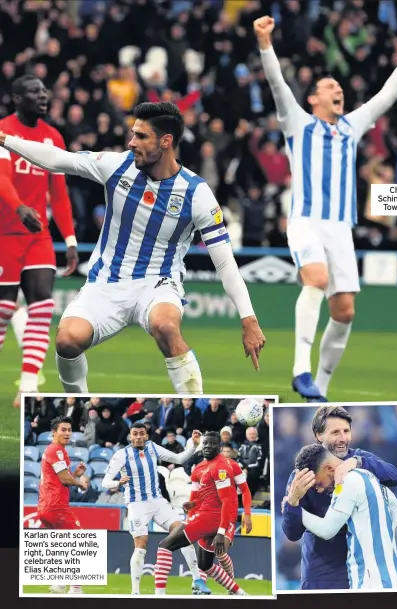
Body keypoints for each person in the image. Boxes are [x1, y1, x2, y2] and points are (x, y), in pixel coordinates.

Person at [0, 101, 265, 395]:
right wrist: (5, 139)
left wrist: (248, 318)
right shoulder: (117, 166)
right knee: (66, 340)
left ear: (165, 142)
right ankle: (79, 408)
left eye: (141, 136)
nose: (131, 142)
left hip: (158, 283)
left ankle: (195, 411)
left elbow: (226, 264)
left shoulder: (196, 193)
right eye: (132, 134)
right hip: (106, 283)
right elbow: (60, 159)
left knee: (166, 326)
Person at [254, 17, 397, 401]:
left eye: (340, 87)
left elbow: (388, 94)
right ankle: (300, 368)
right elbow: (278, 85)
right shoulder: (297, 123)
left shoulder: (351, 126)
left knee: (345, 311)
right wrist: (265, 43)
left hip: (340, 227)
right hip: (307, 221)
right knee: (314, 278)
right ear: (313, 99)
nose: (338, 89)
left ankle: (321, 389)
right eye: (329, 87)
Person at [0, 75, 78, 407]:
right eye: (35, 92)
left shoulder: (52, 138)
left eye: (44, 92)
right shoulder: (4, 130)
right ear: (17, 98)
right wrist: (18, 207)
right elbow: (1, 177)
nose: (43, 96)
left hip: (38, 235)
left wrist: (70, 238)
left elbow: (58, 195)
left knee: (43, 303)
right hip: (5, 231)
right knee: (3, 309)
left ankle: (29, 384)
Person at [281, 405, 397, 590]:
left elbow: (395, 476)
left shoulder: (359, 458)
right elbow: (292, 533)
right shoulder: (303, 474)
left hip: (361, 569)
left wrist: (357, 462)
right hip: (321, 574)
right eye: (335, 432)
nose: (343, 438)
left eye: (346, 431)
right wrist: (292, 503)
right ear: (319, 435)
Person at [101, 423, 210, 596]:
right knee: (141, 543)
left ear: (146, 436)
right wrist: (118, 482)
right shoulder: (121, 455)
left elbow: (179, 459)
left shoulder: (152, 447)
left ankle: (197, 580)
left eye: (141, 434)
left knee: (183, 532)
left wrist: (194, 446)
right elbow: (105, 482)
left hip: (157, 501)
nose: (138, 437)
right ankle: (135, 592)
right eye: (135, 434)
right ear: (130, 436)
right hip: (137, 504)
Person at [153, 432, 250, 596]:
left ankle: (159, 595)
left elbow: (238, 495)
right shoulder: (198, 469)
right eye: (205, 444)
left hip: (217, 517)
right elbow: (195, 498)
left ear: (220, 447)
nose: (207, 447)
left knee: (165, 546)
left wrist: (246, 514)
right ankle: (239, 593)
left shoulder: (225, 467)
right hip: (210, 516)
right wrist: (191, 507)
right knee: (205, 565)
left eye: (212, 444)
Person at [37, 416, 87, 594]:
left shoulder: (55, 451)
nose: (67, 433)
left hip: (46, 506)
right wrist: (80, 482)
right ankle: (75, 589)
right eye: (63, 430)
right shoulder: (56, 450)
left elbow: (62, 479)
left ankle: (58, 583)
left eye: (69, 430)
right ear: (54, 432)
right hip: (55, 505)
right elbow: (65, 479)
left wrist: (75, 474)